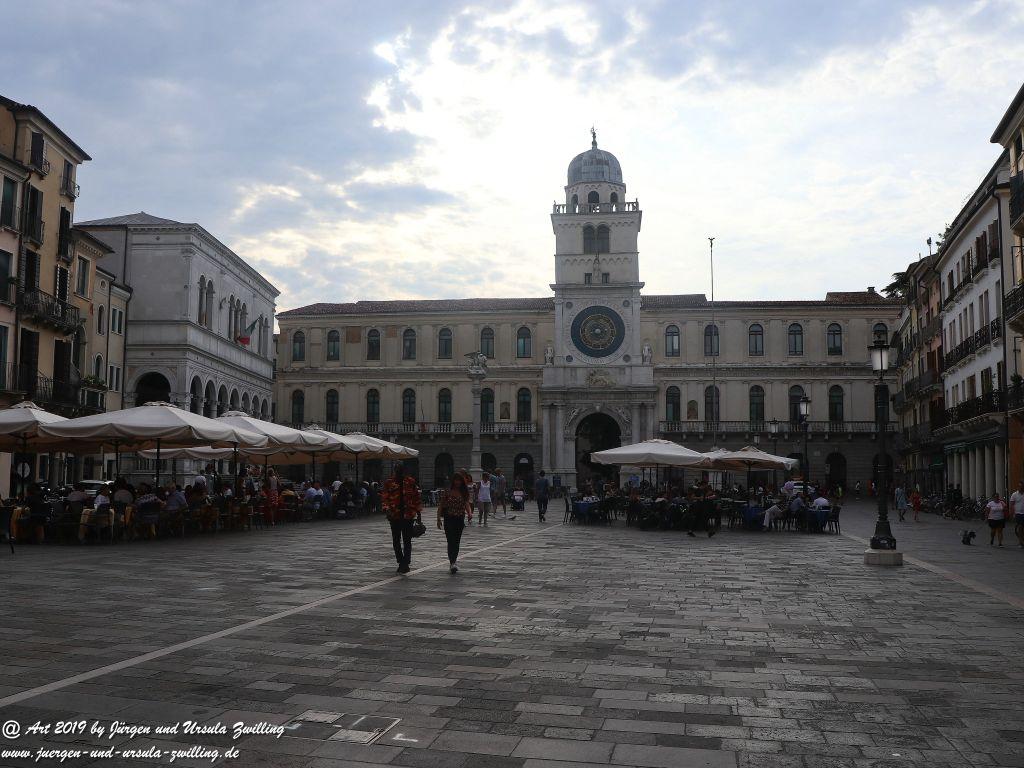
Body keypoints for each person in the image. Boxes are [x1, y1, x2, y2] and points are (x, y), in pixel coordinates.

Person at [382, 463, 421, 574]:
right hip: (394, 516)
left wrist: (419, 514)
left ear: (404, 470)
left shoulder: (410, 482)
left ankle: (405, 562)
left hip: (408, 515)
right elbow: (385, 498)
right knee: (396, 540)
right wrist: (387, 509)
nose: (399, 471)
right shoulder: (389, 482)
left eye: (401, 469)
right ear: (395, 470)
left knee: (407, 540)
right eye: (397, 469)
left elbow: (416, 498)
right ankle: (401, 561)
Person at [437, 473, 472, 573]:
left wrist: (469, 513)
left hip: (459, 519)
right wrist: (438, 519)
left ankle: (454, 561)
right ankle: (452, 562)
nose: (457, 482)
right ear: (453, 481)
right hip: (449, 518)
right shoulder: (447, 492)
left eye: (459, 480)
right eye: (456, 480)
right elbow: (441, 506)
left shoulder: (463, 492)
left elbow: (466, 504)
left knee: (456, 541)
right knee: (450, 540)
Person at [1011, 482, 1024, 548]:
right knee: (1020, 527)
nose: (1020, 488)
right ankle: (1020, 542)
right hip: (1018, 513)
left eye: (1022, 487)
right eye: (1019, 486)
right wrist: (1013, 513)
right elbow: (1012, 504)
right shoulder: (1014, 494)